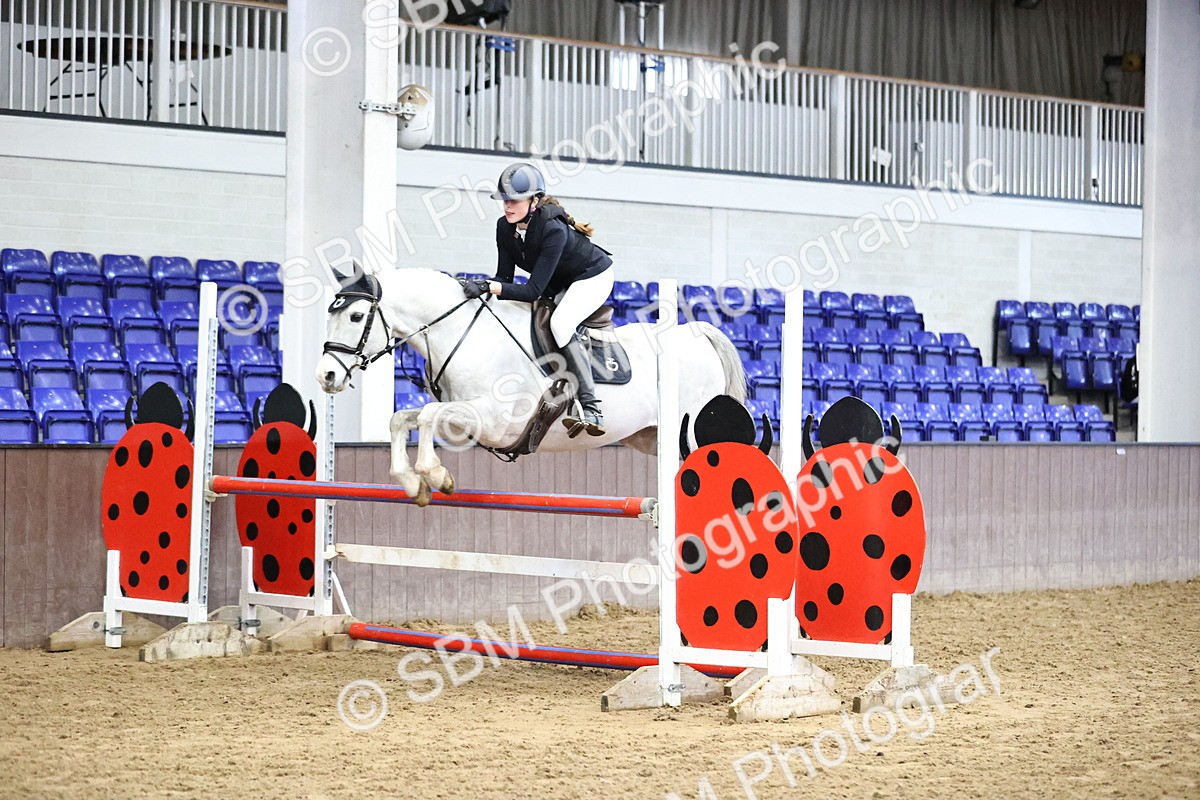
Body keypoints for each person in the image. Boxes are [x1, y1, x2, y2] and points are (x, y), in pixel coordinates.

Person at [462, 163, 615, 437]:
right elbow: (504, 278)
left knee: (561, 324)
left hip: (592, 276)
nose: (507, 206)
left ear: (534, 201)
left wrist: (489, 286)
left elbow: (531, 290)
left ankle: (591, 408)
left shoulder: (552, 229)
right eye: (504, 200)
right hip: (558, 281)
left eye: (514, 200)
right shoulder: (504, 227)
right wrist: (484, 290)